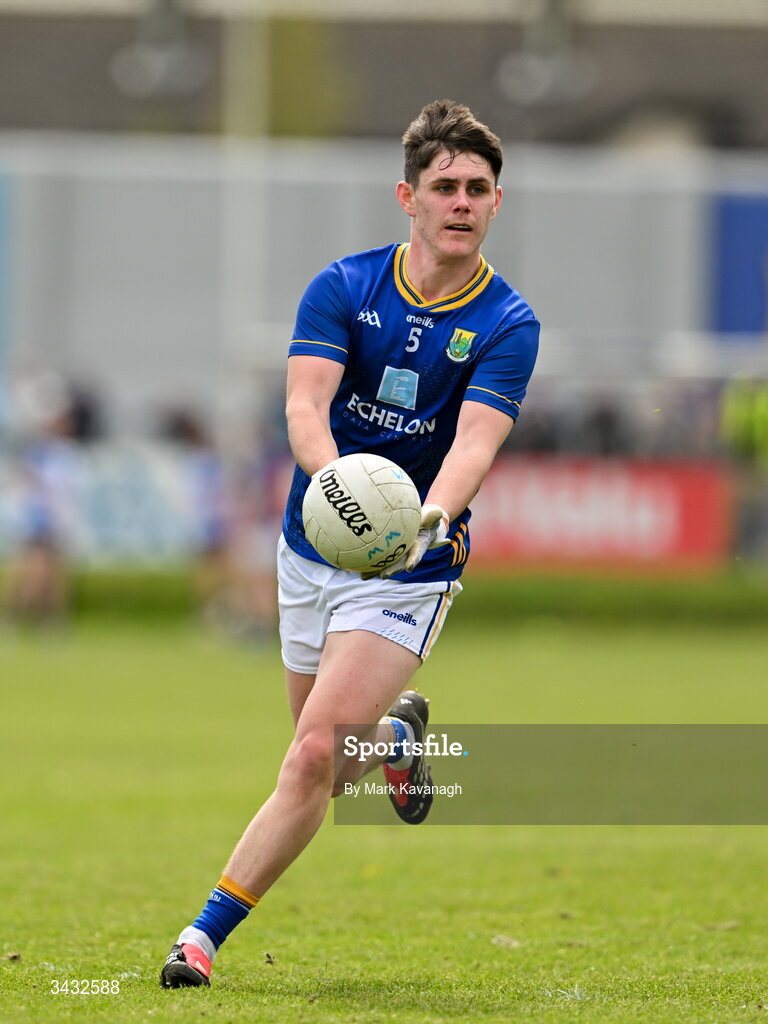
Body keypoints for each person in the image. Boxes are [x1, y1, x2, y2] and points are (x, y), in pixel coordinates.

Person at [160, 98, 540, 989]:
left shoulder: (508, 324)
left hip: (410, 572)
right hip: (310, 551)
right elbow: (303, 407)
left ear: (496, 205)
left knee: (313, 756)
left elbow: (475, 445)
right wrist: (339, 488)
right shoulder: (343, 285)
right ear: (406, 197)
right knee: (326, 758)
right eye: (444, 186)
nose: (461, 201)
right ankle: (399, 742)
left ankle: (200, 937)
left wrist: (426, 525)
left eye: (478, 189)